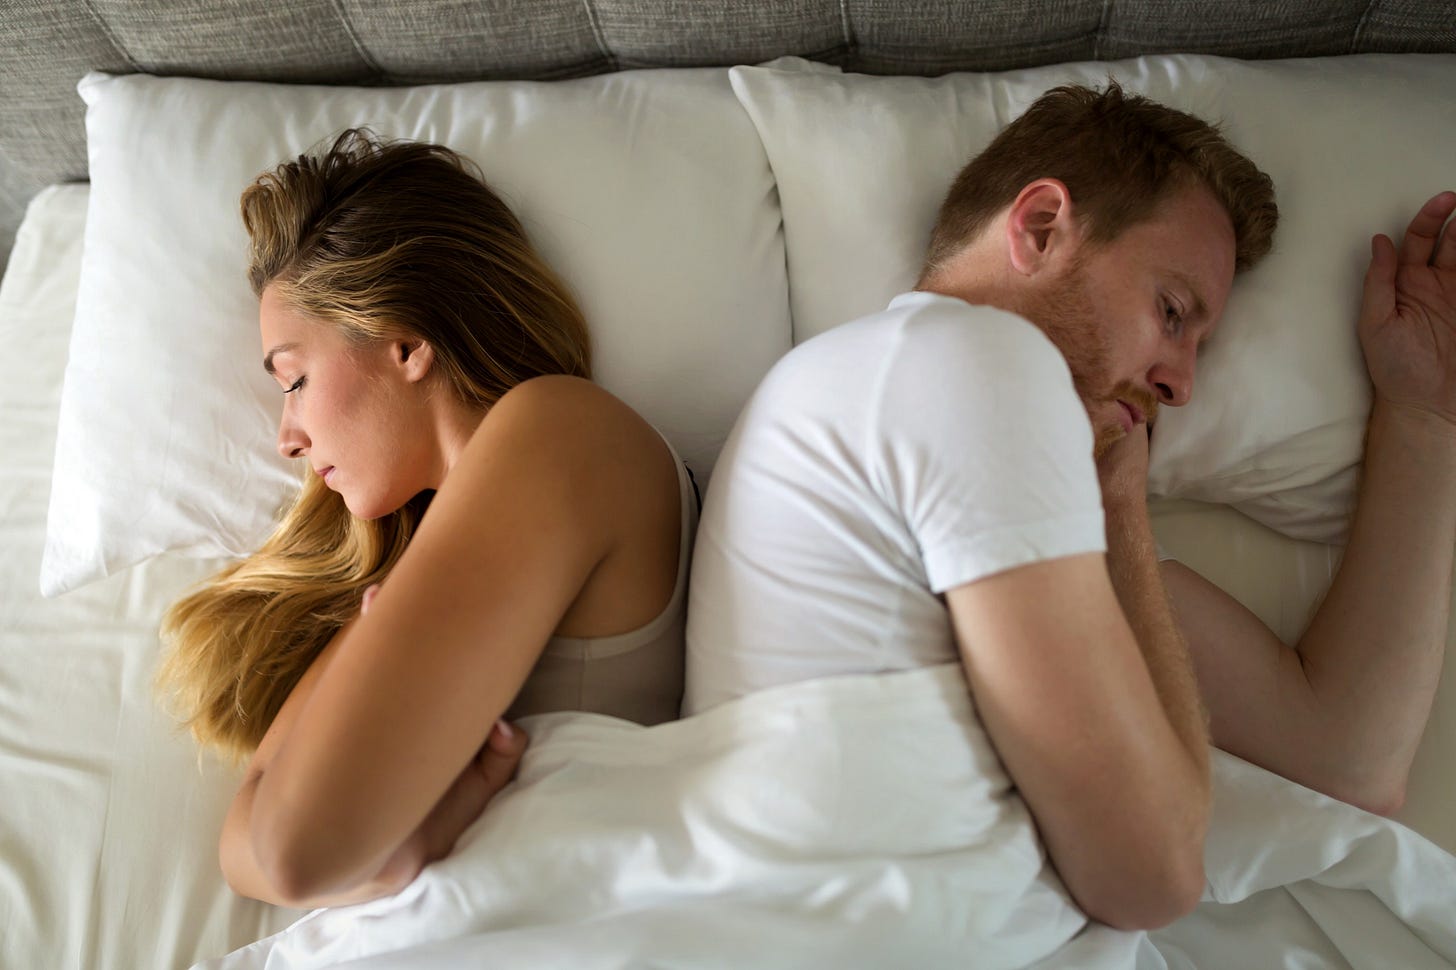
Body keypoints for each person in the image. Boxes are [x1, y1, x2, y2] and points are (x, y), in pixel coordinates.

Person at [684, 80, 1456, 930]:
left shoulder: (969, 458)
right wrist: (1123, 517)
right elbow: (1152, 880)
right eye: (1172, 313)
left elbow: (1347, 758)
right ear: (1041, 227)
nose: (1183, 384)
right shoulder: (964, 361)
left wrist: (1423, 414)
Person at [157, 129, 698, 909]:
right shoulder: (418, 555)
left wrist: (385, 850)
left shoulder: (561, 430)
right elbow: (244, 847)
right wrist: (401, 847)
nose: (287, 438)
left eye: (296, 377)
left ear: (405, 343)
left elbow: (281, 855)